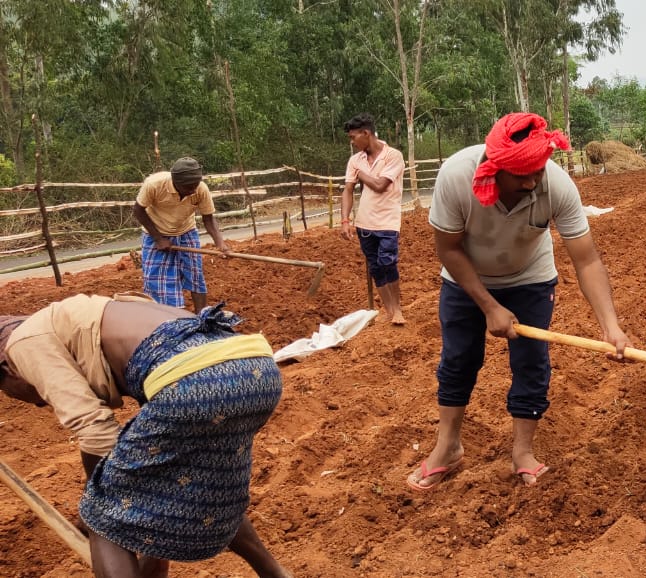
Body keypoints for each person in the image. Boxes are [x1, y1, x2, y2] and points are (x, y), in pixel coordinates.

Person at [408, 112, 632, 491]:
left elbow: (587, 259)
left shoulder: (556, 186)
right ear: (493, 168)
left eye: (537, 172)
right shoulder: (456, 176)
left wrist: (610, 326)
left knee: (531, 362)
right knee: (459, 358)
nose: (531, 182)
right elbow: (447, 248)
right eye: (520, 175)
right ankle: (448, 448)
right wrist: (488, 305)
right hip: (465, 277)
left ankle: (523, 452)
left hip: (530, 276)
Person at [0, 294, 290, 577]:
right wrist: (154, 561)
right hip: (254, 367)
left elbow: (96, 431)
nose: (39, 402)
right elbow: (160, 476)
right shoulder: (95, 313)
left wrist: (99, 495)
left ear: (6, 370)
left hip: (195, 378)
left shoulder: (23, 343)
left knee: (103, 516)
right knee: (199, 485)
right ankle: (275, 573)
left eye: (14, 394)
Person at [133, 157, 228, 311]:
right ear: (175, 181)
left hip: (186, 231)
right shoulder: (154, 185)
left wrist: (220, 244)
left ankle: (202, 318)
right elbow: (138, 210)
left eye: (195, 186)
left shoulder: (200, 189)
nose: (192, 190)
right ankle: (169, 319)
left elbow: (208, 219)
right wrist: (158, 238)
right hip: (155, 232)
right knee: (157, 279)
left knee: (195, 274)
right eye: (188, 187)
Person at [339, 113, 408, 325]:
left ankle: (397, 309)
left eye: (353, 137)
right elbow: (347, 190)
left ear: (366, 133)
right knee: (375, 267)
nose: (352, 142)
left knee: (388, 263)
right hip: (364, 223)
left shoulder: (393, 156)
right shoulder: (355, 160)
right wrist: (345, 220)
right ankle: (389, 310)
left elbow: (380, 185)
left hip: (387, 221)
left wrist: (361, 175)